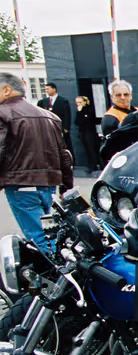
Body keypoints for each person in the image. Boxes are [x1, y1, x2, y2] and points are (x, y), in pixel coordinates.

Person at [0, 73, 74, 252]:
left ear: (7, 89)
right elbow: (63, 153)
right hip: (48, 185)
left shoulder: (3, 113)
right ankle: (59, 269)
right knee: (49, 232)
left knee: (39, 237)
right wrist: (66, 184)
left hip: (22, 185)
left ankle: (58, 273)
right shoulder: (50, 116)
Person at [38, 82, 74, 161]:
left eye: (48, 89)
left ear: (54, 89)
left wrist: (66, 127)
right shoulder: (43, 102)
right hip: (49, 127)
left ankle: (69, 160)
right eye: (45, 89)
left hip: (60, 127)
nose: (46, 91)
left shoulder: (63, 101)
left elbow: (67, 114)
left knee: (65, 144)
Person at [75, 96, 101, 174]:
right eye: (77, 103)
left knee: (91, 148)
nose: (78, 104)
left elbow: (89, 120)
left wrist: (82, 113)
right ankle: (91, 164)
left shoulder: (89, 110)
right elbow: (77, 122)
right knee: (87, 148)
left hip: (90, 131)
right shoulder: (79, 111)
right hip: (83, 132)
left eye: (80, 102)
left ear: (85, 102)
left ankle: (95, 164)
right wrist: (79, 113)